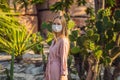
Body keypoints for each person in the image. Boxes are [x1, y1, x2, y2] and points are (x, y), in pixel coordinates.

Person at [44, 13, 70, 80]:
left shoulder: (63, 41)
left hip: (58, 70)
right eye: (54, 24)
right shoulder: (54, 40)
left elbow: (64, 58)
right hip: (50, 68)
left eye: (58, 24)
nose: (56, 26)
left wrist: (63, 74)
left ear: (63, 26)